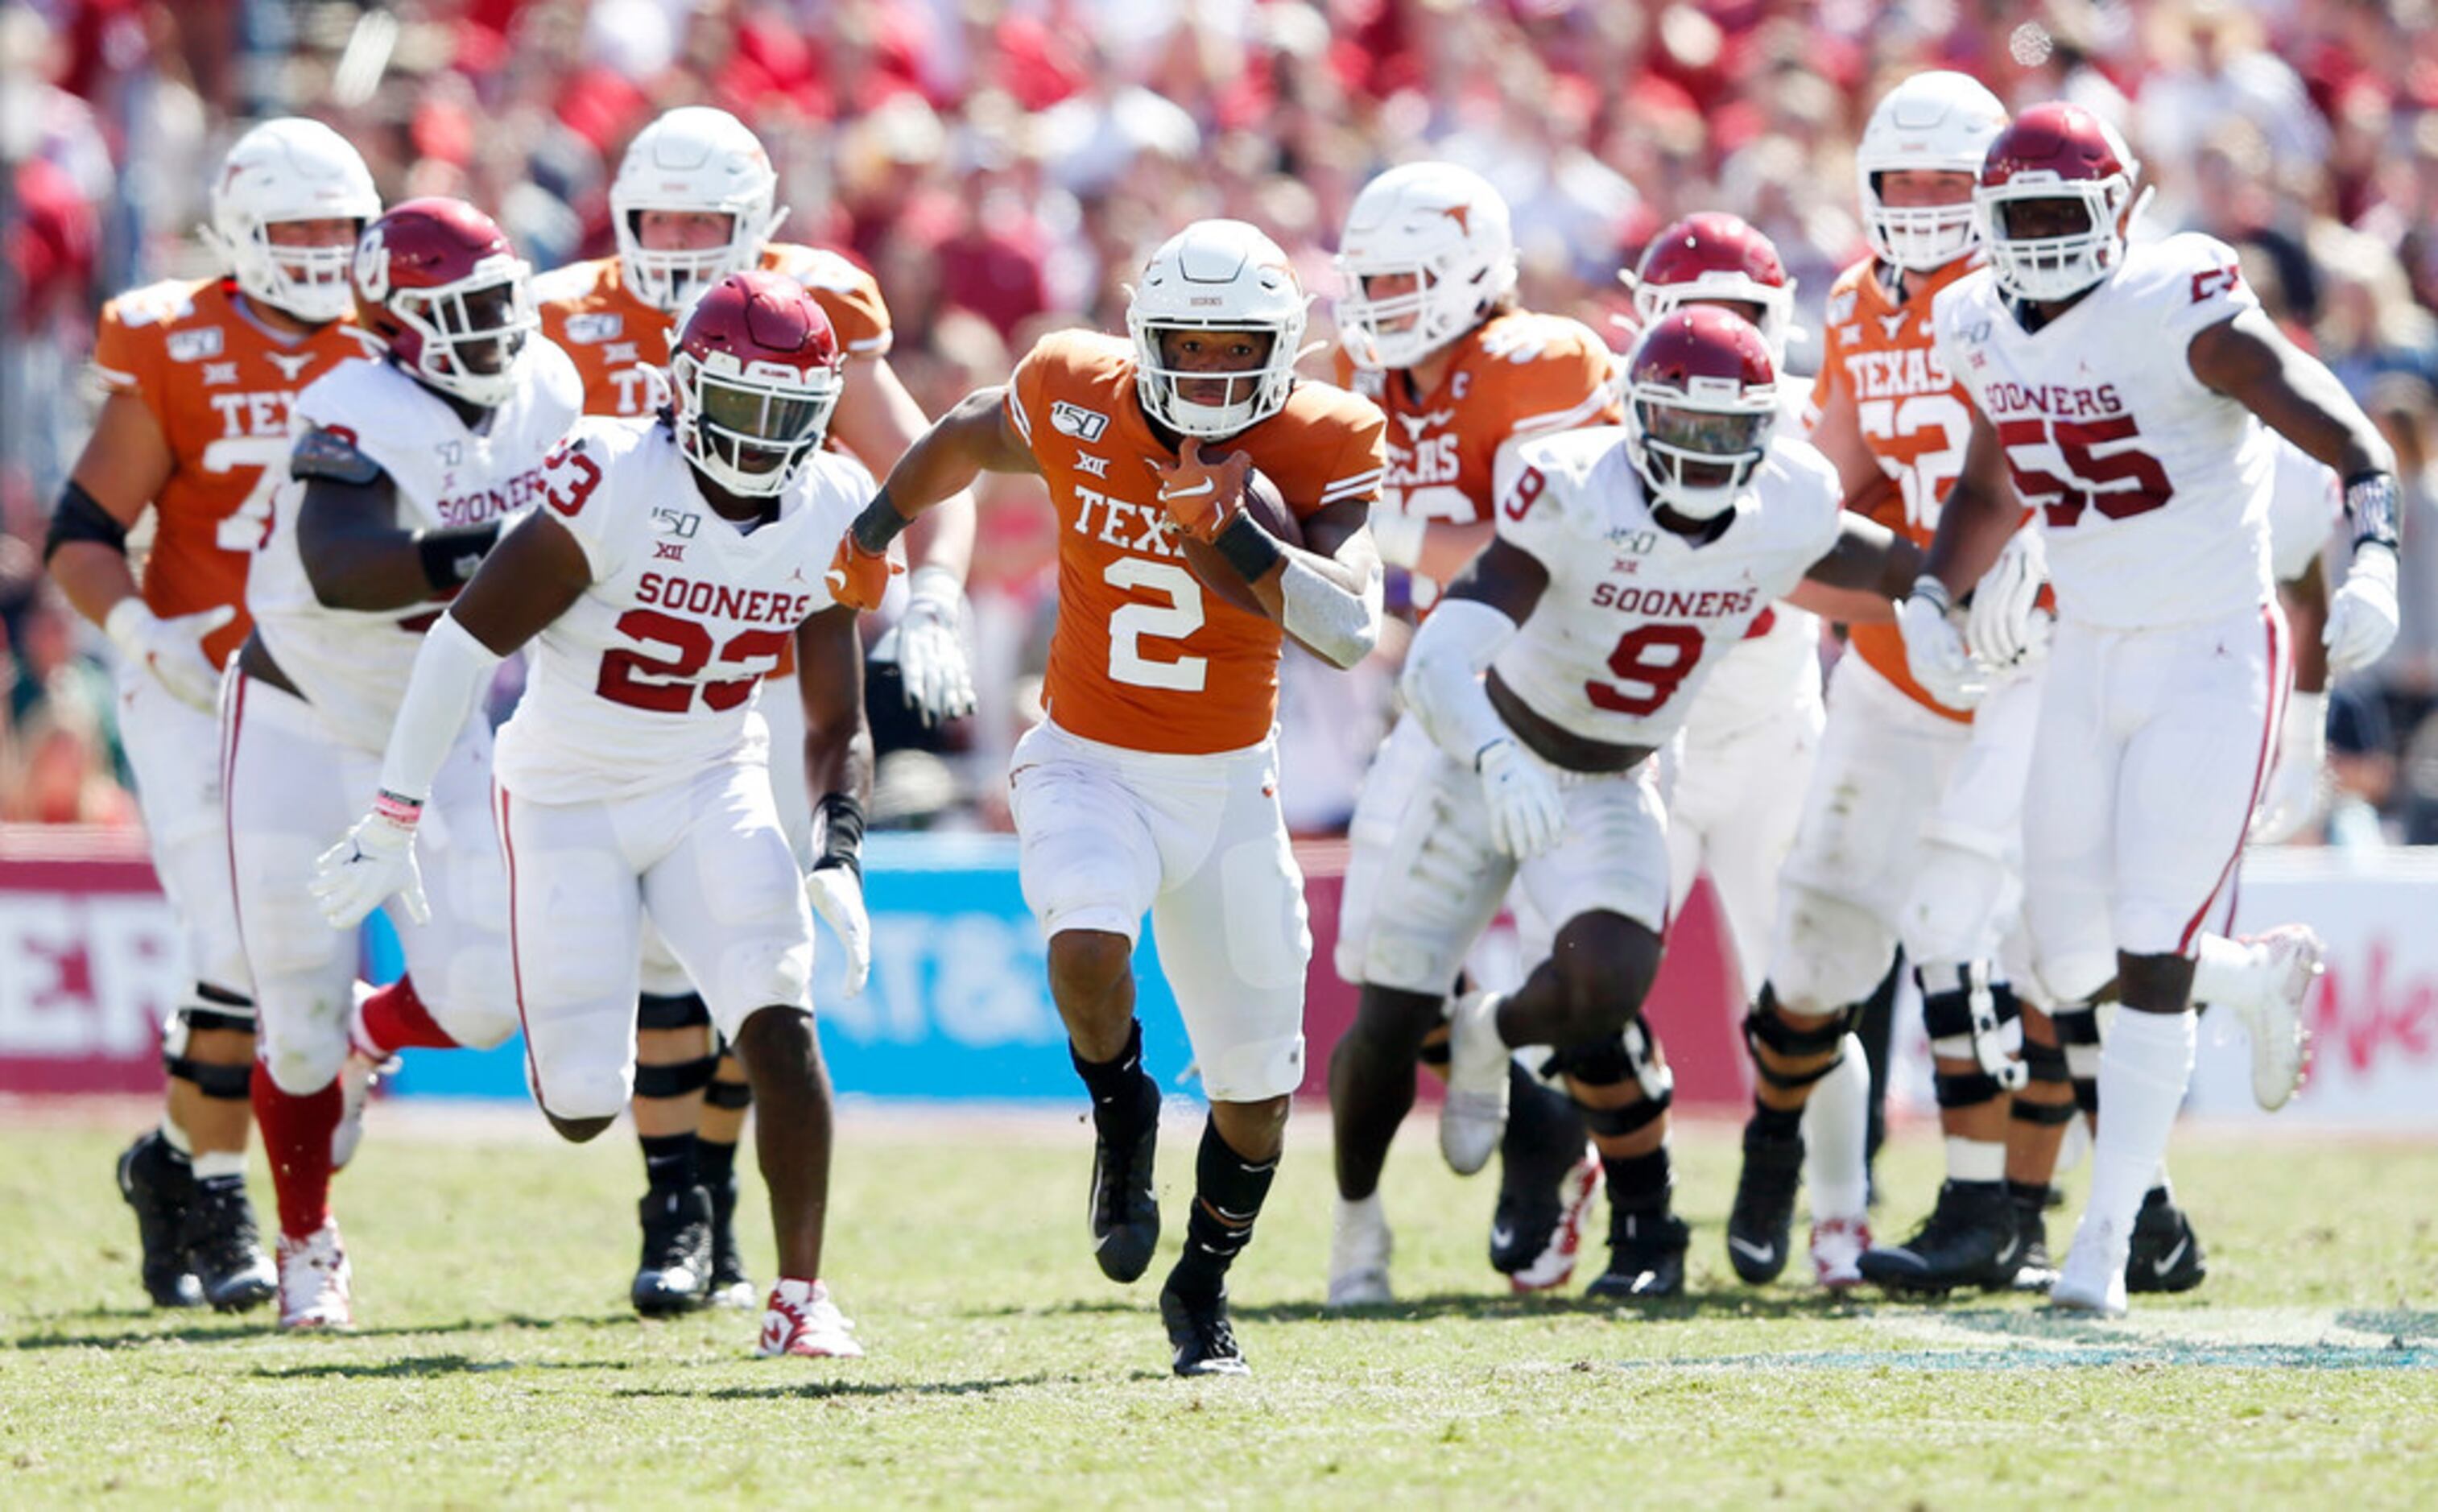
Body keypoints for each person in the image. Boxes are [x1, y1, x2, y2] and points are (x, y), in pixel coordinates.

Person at [826, 219, 1387, 1376]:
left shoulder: (1321, 438)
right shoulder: (1078, 388)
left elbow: (1350, 627)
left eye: (1239, 349)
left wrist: (1238, 536)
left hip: (1230, 783)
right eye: (1188, 343)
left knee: (1259, 1091)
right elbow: (968, 438)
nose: (1214, 372)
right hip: (1085, 752)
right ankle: (1123, 1105)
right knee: (1087, 946)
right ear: (1143, 336)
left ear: (1282, 349)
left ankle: (1203, 1284)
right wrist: (878, 530)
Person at [314, 271, 872, 1357]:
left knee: (779, 1005)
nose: (763, 440)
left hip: (714, 776)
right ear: (683, 389)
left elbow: (833, 716)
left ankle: (800, 1294)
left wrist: (840, 846)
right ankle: (372, 1026)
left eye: (788, 414)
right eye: (742, 407)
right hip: (568, 793)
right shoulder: (614, 474)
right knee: (580, 1101)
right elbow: (464, 640)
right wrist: (394, 813)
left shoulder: (835, 506)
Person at [1902, 102, 2400, 1316]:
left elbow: (2343, 435)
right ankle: (2252, 981)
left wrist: (2375, 545)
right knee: (2066, 954)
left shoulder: (2179, 303)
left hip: (2210, 648)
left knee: (2146, 950)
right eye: (2013, 214)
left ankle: (2107, 1242)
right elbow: (1991, 476)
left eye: (2058, 213)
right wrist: (1933, 585)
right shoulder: (1977, 320)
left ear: (2122, 211)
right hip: (2086, 651)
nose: (2034, 236)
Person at [1386, 305, 1924, 1303]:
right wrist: (1495, 755)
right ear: (1634, 416)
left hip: (1657, 761)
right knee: (1497, 980)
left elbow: (1854, 552)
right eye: (1683, 426)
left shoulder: (1789, 492)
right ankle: (1614, 1212)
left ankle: (1810, 1202)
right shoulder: (1573, 485)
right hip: (1530, 746)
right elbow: (1448, 642)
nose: (1705, 453)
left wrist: (1935, 592)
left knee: (1688, 982)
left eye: (1728, 434)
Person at [534, 104, 977, 1315]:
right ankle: (675, 1196)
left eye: (706, 219)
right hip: (610, 670)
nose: (679, 239)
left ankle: (708, 1196)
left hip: (766, 666)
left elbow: (922, 465)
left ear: (760, 223)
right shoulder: (558, 312)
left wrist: (933, 591)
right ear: (622, 216)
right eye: (660, 216)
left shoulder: (813, 298)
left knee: (747, 942)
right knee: (653, 957)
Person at [43, 118, 381, 1313]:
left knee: (306, 982)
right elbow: (82, 533)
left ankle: (174, 1165)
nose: (318, 249)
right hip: (197, 678)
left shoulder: (395, 332)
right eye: (291, 228)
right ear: (241, 231)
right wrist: (141, 636)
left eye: (336, 227)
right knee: (239, 946)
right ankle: (227, 1195)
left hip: (346, 688)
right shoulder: (173, 336)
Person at [231, 197, 581, 1328]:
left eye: (503, 299)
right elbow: (340, 567)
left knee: (485, 1000)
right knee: (290, 1007)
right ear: (406, 325)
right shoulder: (349, 401)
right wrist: (495, 550)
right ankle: (304, 1240)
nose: (496, 326)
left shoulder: (551, 388)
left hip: (439, 723)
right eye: (467, 309)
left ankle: (366, 1040)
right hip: (301, 712)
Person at [1323, 161, 1622, 1307]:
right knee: (1384, 988)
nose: (1382, 303)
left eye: (1407, 279)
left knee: (1602, 979)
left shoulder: (1543, 360)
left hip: (1568, 705)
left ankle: (1626, 1202)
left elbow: (1544, 543)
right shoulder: (1359, 368)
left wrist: (1386, 535)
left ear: (1474, 276)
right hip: (1440, 708)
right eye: (1369, 280)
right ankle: (1365, 1224)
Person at [1622, 211, 1872, 1289]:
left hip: (1773, 740)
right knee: (1591, 991)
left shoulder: (1810, 437)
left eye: (1739, 315)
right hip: (1646, 747)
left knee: (1803, 991)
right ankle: (1616, 1202)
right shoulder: (1611, 433)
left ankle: (1842, 1214)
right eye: (1692, 316)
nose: (1714, 338)